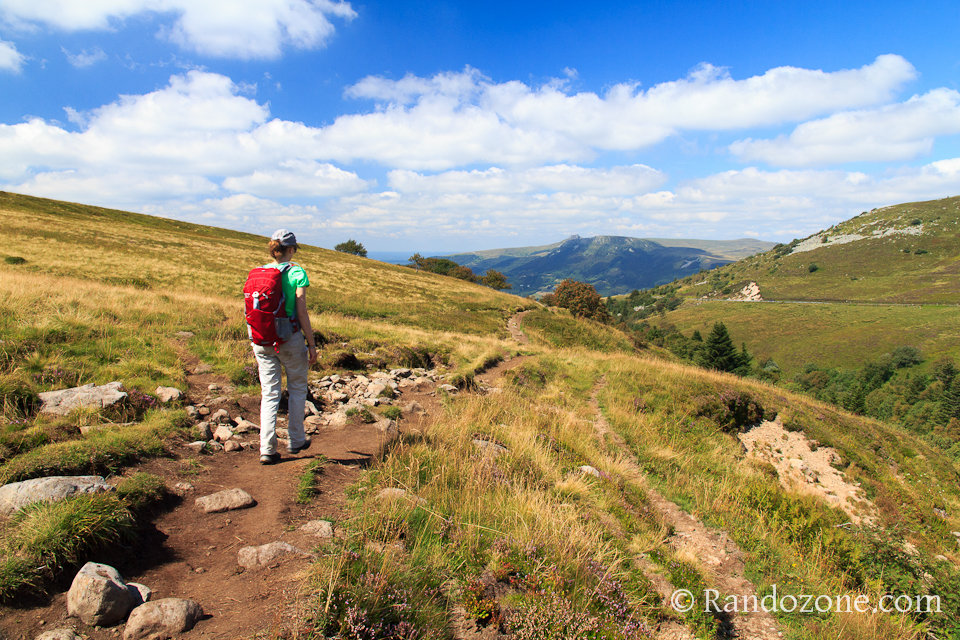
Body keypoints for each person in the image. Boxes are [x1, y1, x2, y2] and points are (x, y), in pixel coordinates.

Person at [252, 229, 319, 464]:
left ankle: (266, 449)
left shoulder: (259, 272)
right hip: (288, 337)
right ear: (290, 249)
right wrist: (311, 344)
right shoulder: (297, 272)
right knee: (298, 388)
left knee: (269, 394)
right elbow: (301, 310)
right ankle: (296, 440)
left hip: (261, 339)